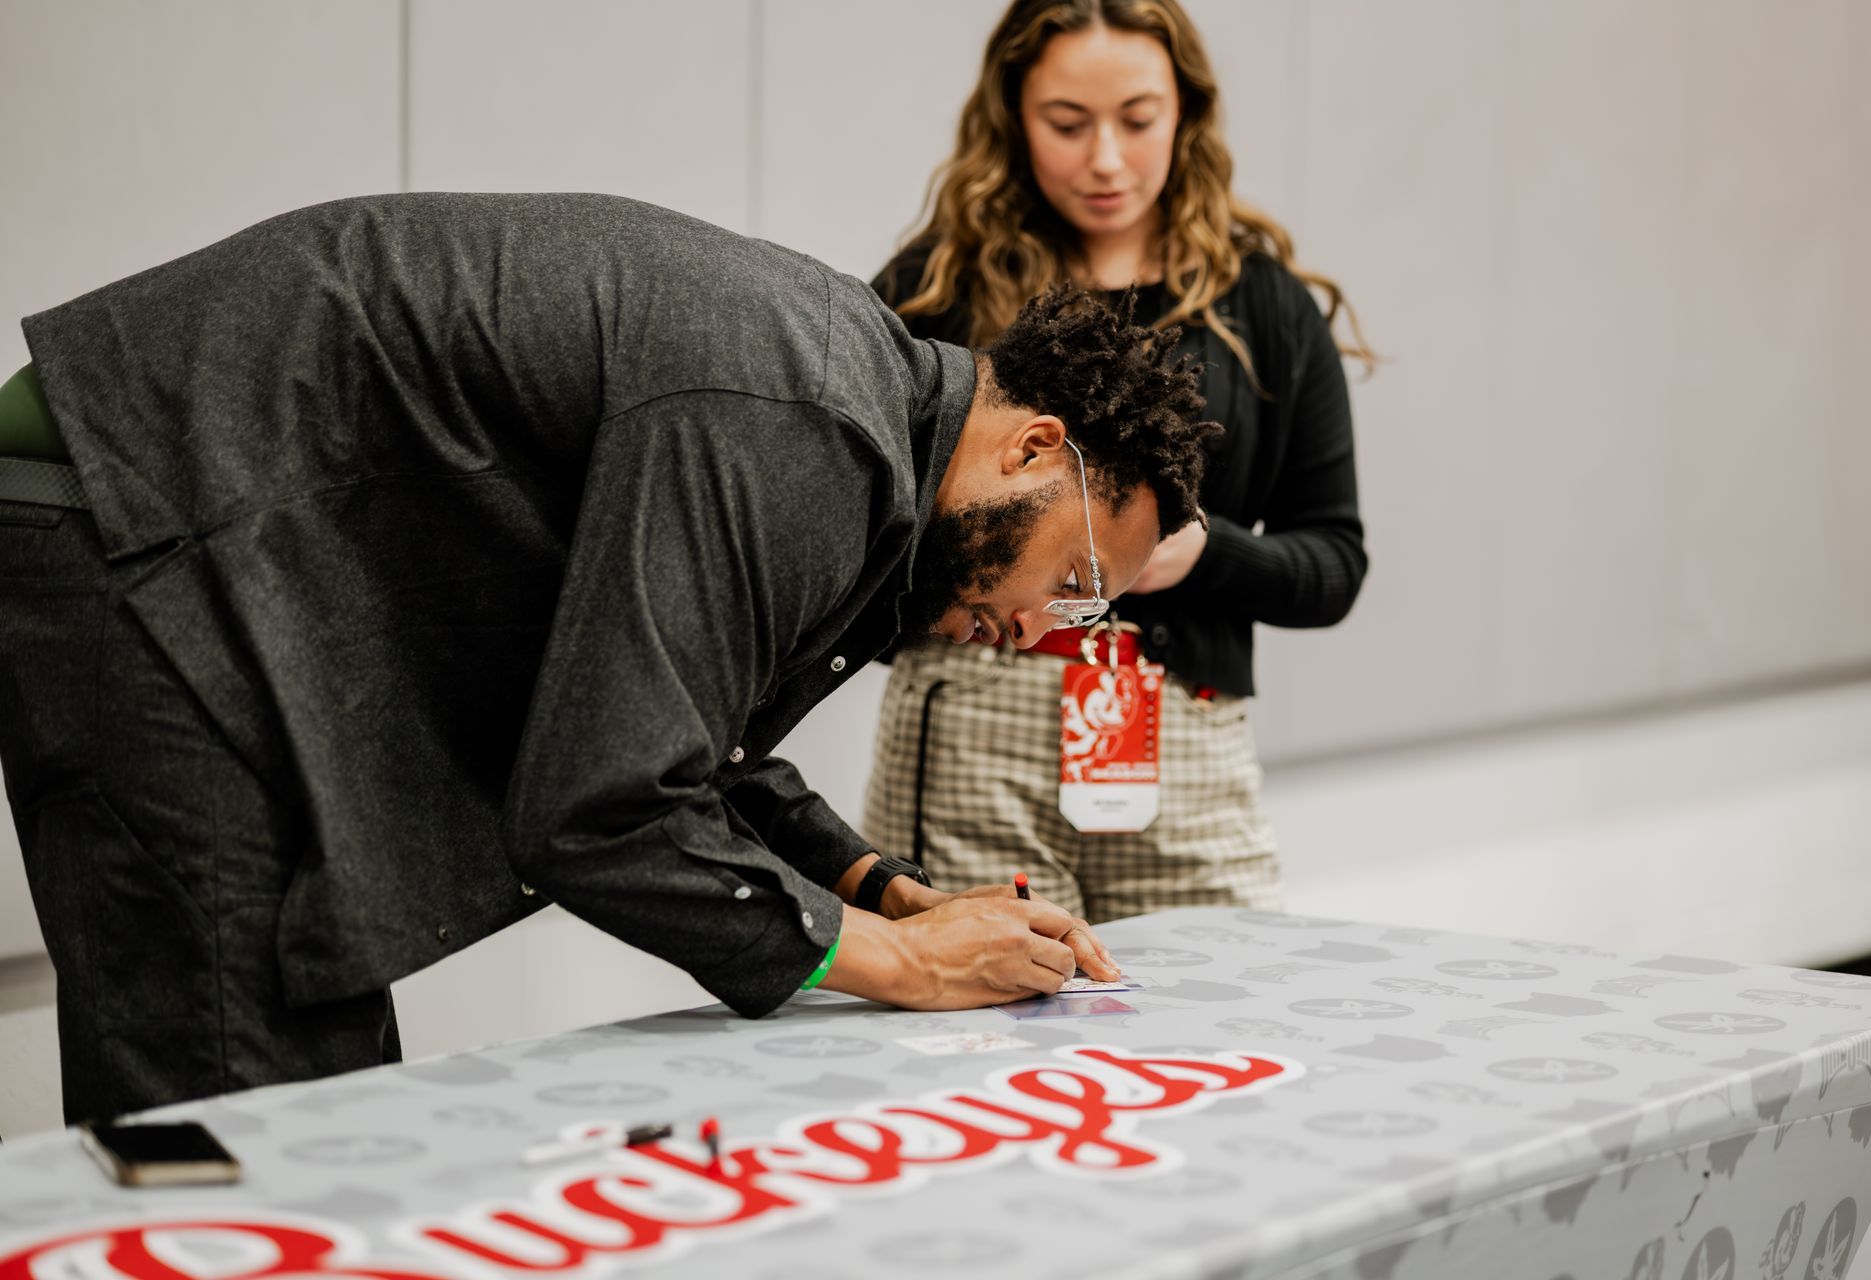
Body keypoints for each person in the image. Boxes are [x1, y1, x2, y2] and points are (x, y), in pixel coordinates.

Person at [0, 191, 1219, 1123]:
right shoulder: (807, 422)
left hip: (191, 517)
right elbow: (600, 805)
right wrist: (904, 962)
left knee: (312, 1098)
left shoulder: (852, 426)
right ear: (1032, 447)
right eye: (1074, 580)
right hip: (140, 505)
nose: (1046, 631)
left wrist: (888, 892)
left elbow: (675, 732)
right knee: (239, 1115)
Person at [862, 0, 1372, 923]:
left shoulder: (1266, 307)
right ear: (1013, 116)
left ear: (1187, 113)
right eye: (1067, 124)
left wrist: (1205, 554)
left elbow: (1335, 564)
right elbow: (857, 520)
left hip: (1183, 734)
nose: (1105, 159)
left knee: (1222, 1001)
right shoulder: (937, 287)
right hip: (973, 721)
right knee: (976, 1006)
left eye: (1138, 121)